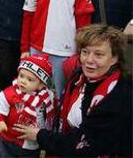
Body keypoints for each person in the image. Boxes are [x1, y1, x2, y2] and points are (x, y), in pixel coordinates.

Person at [14, 24, 132, 157]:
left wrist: (40, 135)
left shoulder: (117, 96)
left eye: (99, 54)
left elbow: (84, 144)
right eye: (85, 52)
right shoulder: (79, 76)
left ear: (114, 58)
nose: (89, 60)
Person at [0, 54, 55, 157]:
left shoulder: (47, 98)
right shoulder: (11, 92)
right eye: (21, 76)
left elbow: (51, 113)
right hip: (10, 138)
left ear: (41, 84)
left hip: (31, 143)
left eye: (30, 80)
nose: (23, 81)